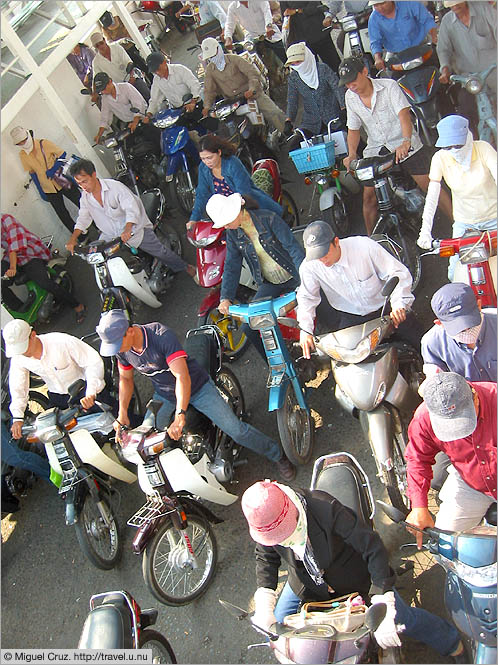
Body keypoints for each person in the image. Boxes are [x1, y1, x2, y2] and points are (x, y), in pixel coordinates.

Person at [241, 479, 466, 661]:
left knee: (402, 619)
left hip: (356, 579)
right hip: (305, 581)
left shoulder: (325, 509)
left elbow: (373, 548)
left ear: (291, 509)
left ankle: (451, 642)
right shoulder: (264, 519)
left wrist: (382, 598)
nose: (281, 540)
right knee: (279, 630)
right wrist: (265, 600)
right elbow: (265, 557)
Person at [95, 309, 297, 481]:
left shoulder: (160, 336)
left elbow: (182, 377)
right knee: (150, 441)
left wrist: (180, 414)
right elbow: (126, 380)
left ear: (129, 331)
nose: (115, 350)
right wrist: (122, 415)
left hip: (197, 388)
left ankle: (277, 454)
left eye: (116, 344)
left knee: (237, 430)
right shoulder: (122, 349)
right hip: (165, 395)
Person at [339, 57, 452, 234]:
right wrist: (352, 153)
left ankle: (458, 223)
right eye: (347, 84)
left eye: (354, 80)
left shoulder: (389, 86)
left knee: (431, 185)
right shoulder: (350, 97)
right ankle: (373, 242)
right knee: (369, 198)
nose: (351, 86)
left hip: (402, 142)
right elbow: (353, 129)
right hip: (376, 147)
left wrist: (406, 141)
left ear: (365, 72)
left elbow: (404, 115)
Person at [297, 221, 421, 357]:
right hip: (351, 316)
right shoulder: (309, 266)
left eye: (324, 253)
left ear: (336, 242)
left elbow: (397, 273)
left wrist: (399, 304)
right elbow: (307, 297)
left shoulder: (363, 247)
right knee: (348, 362)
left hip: (385, 308)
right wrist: (306, 330)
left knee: (419, 343)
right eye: (316, 256)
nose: (321, 259)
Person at [206, 192, 304, 360]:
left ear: (236, 212)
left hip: (295, 275)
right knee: (249, 328)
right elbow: (231, 265)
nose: (226, 227)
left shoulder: (269, 219)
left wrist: (307, 278)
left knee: (315, 310)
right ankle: (282, 368)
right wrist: (226, 297)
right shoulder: (233, 234)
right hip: (271, 283)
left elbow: (294, 249)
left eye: (226, 222)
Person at [405, 373, 496, 545]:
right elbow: (417, 459)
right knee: (445, 545)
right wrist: (419, 506)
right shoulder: (424, 418)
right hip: (470, 484)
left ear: (474, 397)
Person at [64, 159, 195, 278]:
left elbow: (131, 208)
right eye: (79, 184)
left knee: (161, 252)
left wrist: (127, 229)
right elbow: (83, 218)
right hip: (110, 235)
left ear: (93, 174)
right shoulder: (85, 198)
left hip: (134, 230)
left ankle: (186, 267)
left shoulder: (115, 187)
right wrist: (73, 239)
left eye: (85, 181)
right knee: (100, 263)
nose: (83, 186)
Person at [417, 114, 497, 279]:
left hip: (494, 218)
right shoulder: (440, 158)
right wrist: (424, 231)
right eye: (448, 147)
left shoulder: (483, 149)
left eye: (458, 145)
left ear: (468, 137)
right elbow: (432, 196)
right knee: (454, 273)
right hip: (465, 223)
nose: (454, 150)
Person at [3, 319, 106, 440]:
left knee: (115, 420)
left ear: (33, 335)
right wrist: (18, 417)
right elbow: (18, 386)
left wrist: (91, 392)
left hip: (84, 390)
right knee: (59, 437)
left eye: (24, 348)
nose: (23, 353)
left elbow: (92, 362)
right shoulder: (19, 358)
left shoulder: (60, 342)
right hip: (58, 398)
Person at [1, 213, 86, 323]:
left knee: (45, 283)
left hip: (29, 253)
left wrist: (13, 268)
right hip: (11, 256)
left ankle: (78, 306)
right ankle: (23, 319)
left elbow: (14, 246)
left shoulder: (6, 219)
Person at [188, 134, 284, 225]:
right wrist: (194, 219)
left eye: (209, 158)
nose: (206, 162)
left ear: (219, 152)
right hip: (225, 214)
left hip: (248, 207)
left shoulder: (232, 163)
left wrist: (237, 214)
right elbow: (201, 194)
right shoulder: (203, 168)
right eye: (203, 159)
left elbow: (244, 191)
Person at [201, 37, 287, 133]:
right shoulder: (210, 70)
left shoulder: (234, 59)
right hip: (232, 104)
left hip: (252, 95)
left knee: (274, 113)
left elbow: (252, 73)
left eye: (214, 55)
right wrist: (207, 107)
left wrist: (252, 89)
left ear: (219, 49)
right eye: (210, 57)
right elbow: (209, 91)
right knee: (232, 131)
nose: (213, 58)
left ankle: (290, 135)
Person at [437, 0, 497, 138]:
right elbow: (443, 49)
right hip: (470, 79)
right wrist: (445, 68)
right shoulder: (447, 22)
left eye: (458, 2)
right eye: (451, 4)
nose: (455, 6)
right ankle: (475, 145)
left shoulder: (484, 9)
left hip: (494, 72)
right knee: (465, 111)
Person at [10, 126, 81, 235]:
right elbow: (32, 172)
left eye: (24, 140)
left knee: (81, 202)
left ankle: (98, 225)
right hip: (48, 188)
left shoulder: (44, 143)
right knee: (63, 214)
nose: (23, 143)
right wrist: (40, 190)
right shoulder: (22, 155)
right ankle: (80, 238)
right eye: (20, 143)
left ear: (28, 136)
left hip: (61, 179)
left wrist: (53, 168)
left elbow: (62, 154)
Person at [422, 283, 497, 382]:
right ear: (439, 323)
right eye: (459, 329)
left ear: (479, 305)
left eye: (470, 324)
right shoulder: (432, 343)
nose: (466, 331)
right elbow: (436, 382)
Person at [285, 42, 345, 139]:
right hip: (311, 122)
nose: (296, 65)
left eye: (298, 62)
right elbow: (292, 101)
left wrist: (343, 108)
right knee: (295, 145)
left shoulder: (322, 69)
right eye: (293, 63)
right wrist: (289, 120)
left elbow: (337, 88)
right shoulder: (293, 78)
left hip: (334, 117)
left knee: (349, 139)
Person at [367, 1, 437, 72]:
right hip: (396, 55)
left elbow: (428, 21)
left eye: (382, 3)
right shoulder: (373, 19)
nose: (380, 8)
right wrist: (378, 58)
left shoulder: (409, 4)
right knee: (389, 76)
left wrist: (434, 39)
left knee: (437, 69)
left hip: (421, 46)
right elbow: (375, 42)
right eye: (376, 5)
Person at [92, 72, 158, 147]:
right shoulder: (105, 99)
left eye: (104, 88)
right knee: (128, 147)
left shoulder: (125, 87)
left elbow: (138, 104)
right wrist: (99, 135)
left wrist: (135, 122)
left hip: (143, 117)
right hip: (129, 125)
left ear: (110, 81)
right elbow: (105, 118)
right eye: (101, 91)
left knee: (154, 136)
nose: (103, 92)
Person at [144, 51, 205, 123]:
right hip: (178, 111)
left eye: (158, 69)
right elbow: (154, 100)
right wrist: (148, 115)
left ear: (164, 62)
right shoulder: (157, 80)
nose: (157, 73)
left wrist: (193, 102)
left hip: (194, 104)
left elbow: (194, 85)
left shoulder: (179, 69)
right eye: (154, 71)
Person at [280, 1, 341, 73]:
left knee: (333, 64)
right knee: (313, 70)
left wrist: (296, 11)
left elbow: (315, 6)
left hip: (319, 33)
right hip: (302, 40)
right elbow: (285, 13)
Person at [90, 33, 149, 102]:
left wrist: (131, 77)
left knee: (146, 95)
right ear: (95, 47)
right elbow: (96, 79)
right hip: (118, 89)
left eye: (101, 43)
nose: (100, 46)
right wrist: (94, 94)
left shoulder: (117, 48)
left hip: (131, 79)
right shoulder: (96, 62)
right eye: (97, 46)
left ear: (104, 40)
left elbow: (129, 63)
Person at [99, 10, 149, 76]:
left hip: (133, 44)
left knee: (143, 62)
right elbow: (109, 42)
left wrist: (146, 22)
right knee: (134, 67)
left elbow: (132, 23)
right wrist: (119, 41)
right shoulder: (105, 29)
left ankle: (151, 76)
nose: (110, 25)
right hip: (122, 51)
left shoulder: (120, 19)